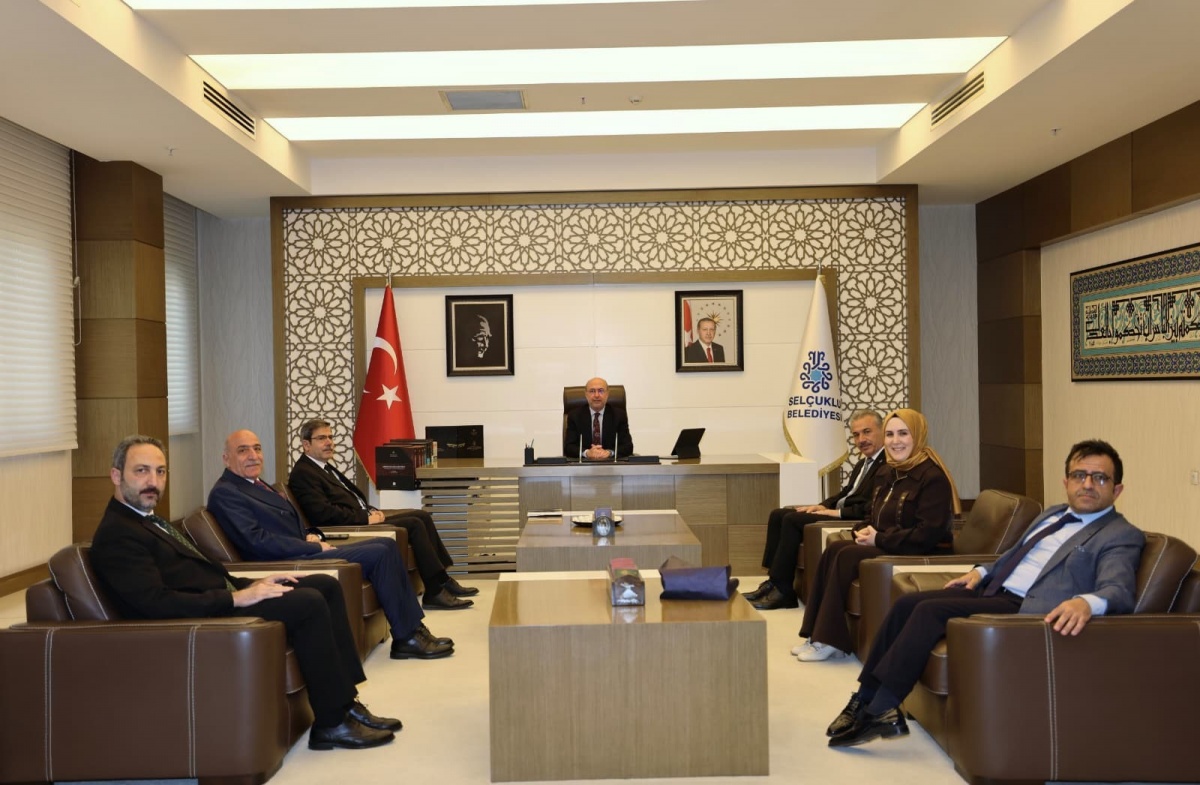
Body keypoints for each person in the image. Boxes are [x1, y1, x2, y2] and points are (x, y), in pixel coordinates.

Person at [90, 435, 401, 751]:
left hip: (220, 599)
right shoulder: (118, 534)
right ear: (116, 475)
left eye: (160, 471)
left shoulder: (147, 520)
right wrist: (235, 598)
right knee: (307, 603)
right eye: (141, 471)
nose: (153, 481)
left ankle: (346, 702)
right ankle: (332, 723)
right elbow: (155, 604)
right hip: (200, 619)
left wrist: (252, 584)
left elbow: (202, 573)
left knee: (325, 584)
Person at [827, 439, 1144, 748]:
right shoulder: (1053, 514)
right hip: (994, 590)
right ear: (1066, 482)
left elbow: (1118, 589)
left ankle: (881, 707)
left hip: (1026, 609)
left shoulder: (1120, 534)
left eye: (1099, 478)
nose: (1087, 484)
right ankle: (864, 698)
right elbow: (1015, 553)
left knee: (927, 612)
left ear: (1117, 490)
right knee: (907, 603)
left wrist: (1085, 602)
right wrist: (980, 572)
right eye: (1079, 475)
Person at [207, 429, 454, 660]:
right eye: (243, 451)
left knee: (385, 545)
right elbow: (258, 542)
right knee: (380, 552)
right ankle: (408, 637)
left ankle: (412, 630)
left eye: (257, 448)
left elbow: (288, 525)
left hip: (302, 548)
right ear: (226, 459)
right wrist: (313, 548)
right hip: (285, 562)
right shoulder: (227, 492)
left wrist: (311, 535)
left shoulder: (256, 484)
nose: (253, 456)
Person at [794, 408, 960, 662]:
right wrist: (861, 529)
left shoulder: (932, 477)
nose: (895, 441)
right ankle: (815, 633)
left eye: (903, 434)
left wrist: (879, 539)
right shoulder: (887, 472)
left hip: (918, 550)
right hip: (887, 542)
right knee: (835, 548)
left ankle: (829, 640)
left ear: (917, 435)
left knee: (846, 555)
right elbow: (872, 515)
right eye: (890, 434)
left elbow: (927, 534)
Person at [287, 418, 478, 610]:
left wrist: (369, 509)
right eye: (321, 438)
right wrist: (365, 518)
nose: (329, 442)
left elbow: (347, 498)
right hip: (349, 528)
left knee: (422, 515)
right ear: (306, 444)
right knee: (414, 524)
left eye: (330, 437)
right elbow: (323, 514)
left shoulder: (323, 467)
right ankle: (435, 591)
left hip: (362, 517)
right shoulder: (304, 473)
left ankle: (443, 580)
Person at [745, 410, 885, 610]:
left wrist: (836, 513)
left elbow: (873, 505)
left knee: (792, 520)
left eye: (867, 432)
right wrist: (823, 505)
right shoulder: (864, 463)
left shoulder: (888, 464)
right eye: (856, 435)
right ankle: (773, 582)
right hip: (840, 512)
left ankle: (784, 591)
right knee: (778, 514)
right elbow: (846, 493)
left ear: (882, 430)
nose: (861, 439)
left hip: (853, 518)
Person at [562, 376, 634, 460]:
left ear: (607, 394)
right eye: (592, 391)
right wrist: (587, 453)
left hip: (610, 464)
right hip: (584, 465)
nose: (596, 395)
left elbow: (628, 446)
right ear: (586, 394)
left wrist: (609, 452)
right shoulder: (575, 416)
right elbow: (568, 447)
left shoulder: (619, 415)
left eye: (601, 391)